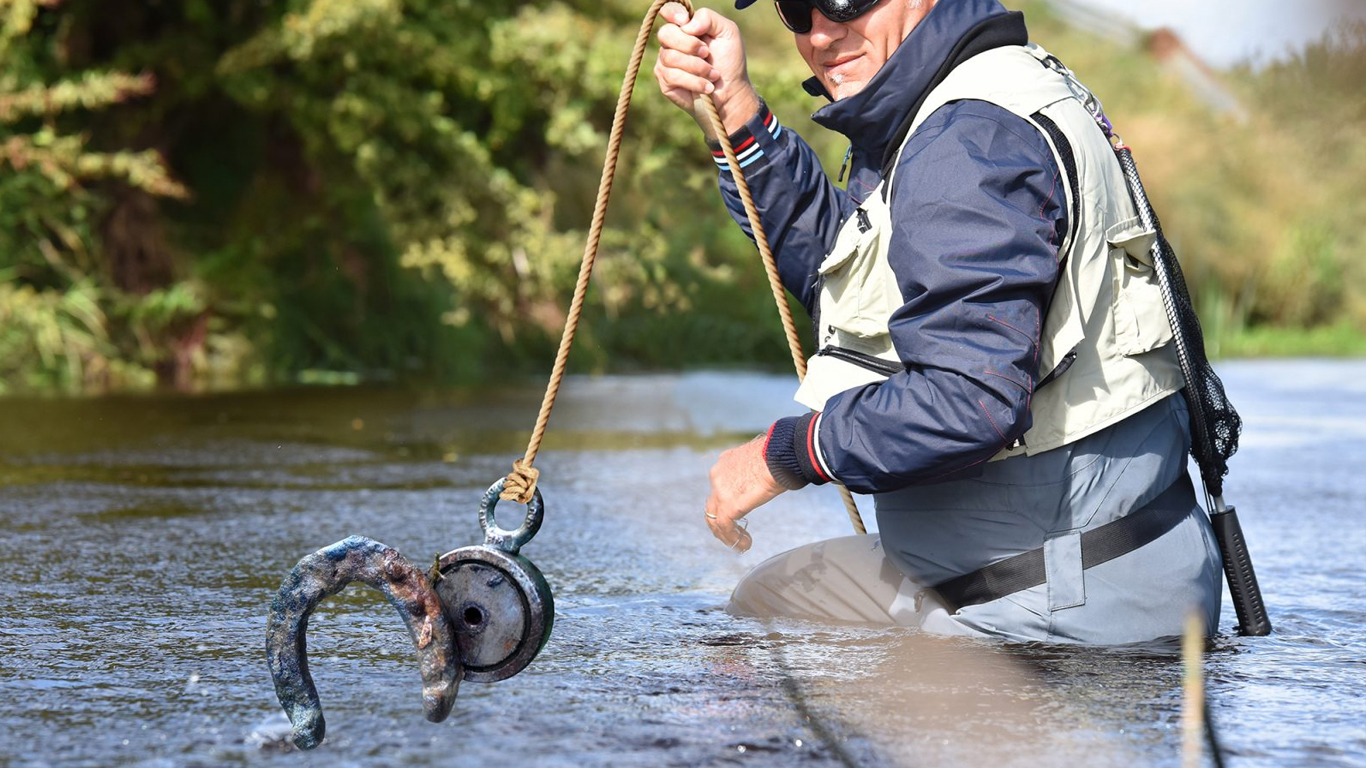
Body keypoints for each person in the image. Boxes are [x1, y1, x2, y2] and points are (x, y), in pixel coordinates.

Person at [653, 0, 1224, 644]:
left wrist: (785, 454)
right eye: (796, 7)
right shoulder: (968, 93)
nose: (819, 31)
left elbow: (968, 398)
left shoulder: (967, 139)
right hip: (1050, 567)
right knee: (768, 598)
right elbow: (851, 276)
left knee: (747, 694)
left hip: (1057, 612)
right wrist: (736, 115)